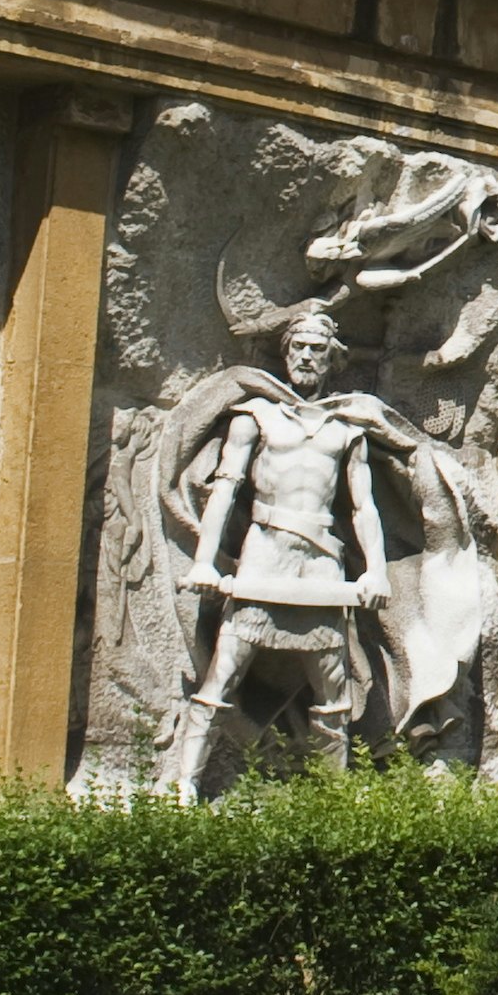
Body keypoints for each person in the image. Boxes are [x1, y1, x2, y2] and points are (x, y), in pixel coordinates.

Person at [158, 300, 408, 793]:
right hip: (264, 554)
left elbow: (363, 508)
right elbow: (226, 490)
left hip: (320, 563)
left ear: (332, 357)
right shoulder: (255, 415)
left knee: (333, 690)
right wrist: (206, 562)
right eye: (298, 347)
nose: (307, 357)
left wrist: (375, 571)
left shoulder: (346, 427)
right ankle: (182, 788)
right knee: (221, 678)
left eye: (317, 349)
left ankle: (330, 798)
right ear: (285, 352)